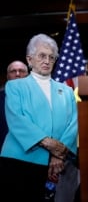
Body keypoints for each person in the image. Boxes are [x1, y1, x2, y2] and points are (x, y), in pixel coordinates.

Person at [0, 33, 78, 201]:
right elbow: (17, 120)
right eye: (42, 56)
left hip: (58, 162)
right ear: (30, 59)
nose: (47, 60)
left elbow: (73, 122)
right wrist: (50, 144)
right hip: (19, 160)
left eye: (51, 57)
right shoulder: (15, 86)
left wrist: (58, 154)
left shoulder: (66, 91)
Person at [0, 60, 29, 149]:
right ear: (7, 76)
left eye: (21, 71)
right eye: (13, 71)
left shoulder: (40, 97)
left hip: (33, 152)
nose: (17, 74)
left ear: (28, 76)